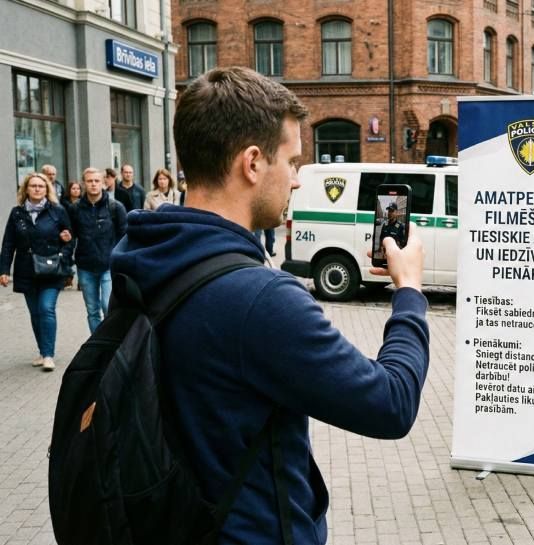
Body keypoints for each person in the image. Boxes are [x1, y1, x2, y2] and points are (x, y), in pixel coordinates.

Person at [110, 66, 430, 545]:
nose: (298, 180)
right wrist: (409, 293)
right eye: (293, 161)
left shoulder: (142, 256)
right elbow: (390, 403)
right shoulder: (259, 299)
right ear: (253, 163)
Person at [0, 173, 74, 371]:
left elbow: (70, 239)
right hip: (26, 270)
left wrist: (63, 257)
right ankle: (42, 351)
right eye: (33, 186)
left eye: (41, 186)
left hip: (52, 270)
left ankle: (49, 355)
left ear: (46, 189)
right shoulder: (17, 213)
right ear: (26, 189)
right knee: (35, 313)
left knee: (46, 309)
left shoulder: (57, 211)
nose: (37, 189)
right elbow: (8, 243)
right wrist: (4, 270)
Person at [68, 167, 127, 332]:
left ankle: (110, 344)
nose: (93, 184)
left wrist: (121, 260)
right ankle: (96, 348)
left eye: (96, 181)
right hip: (85, 266)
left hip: (109, 265)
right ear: (84, 184)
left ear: (103, 183)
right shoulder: (75, 209)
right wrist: (67, 265)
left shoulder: (115, 207)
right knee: (92, 310)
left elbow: (124, 237)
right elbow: (70, 237)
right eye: (89, 181)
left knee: (107, 307)